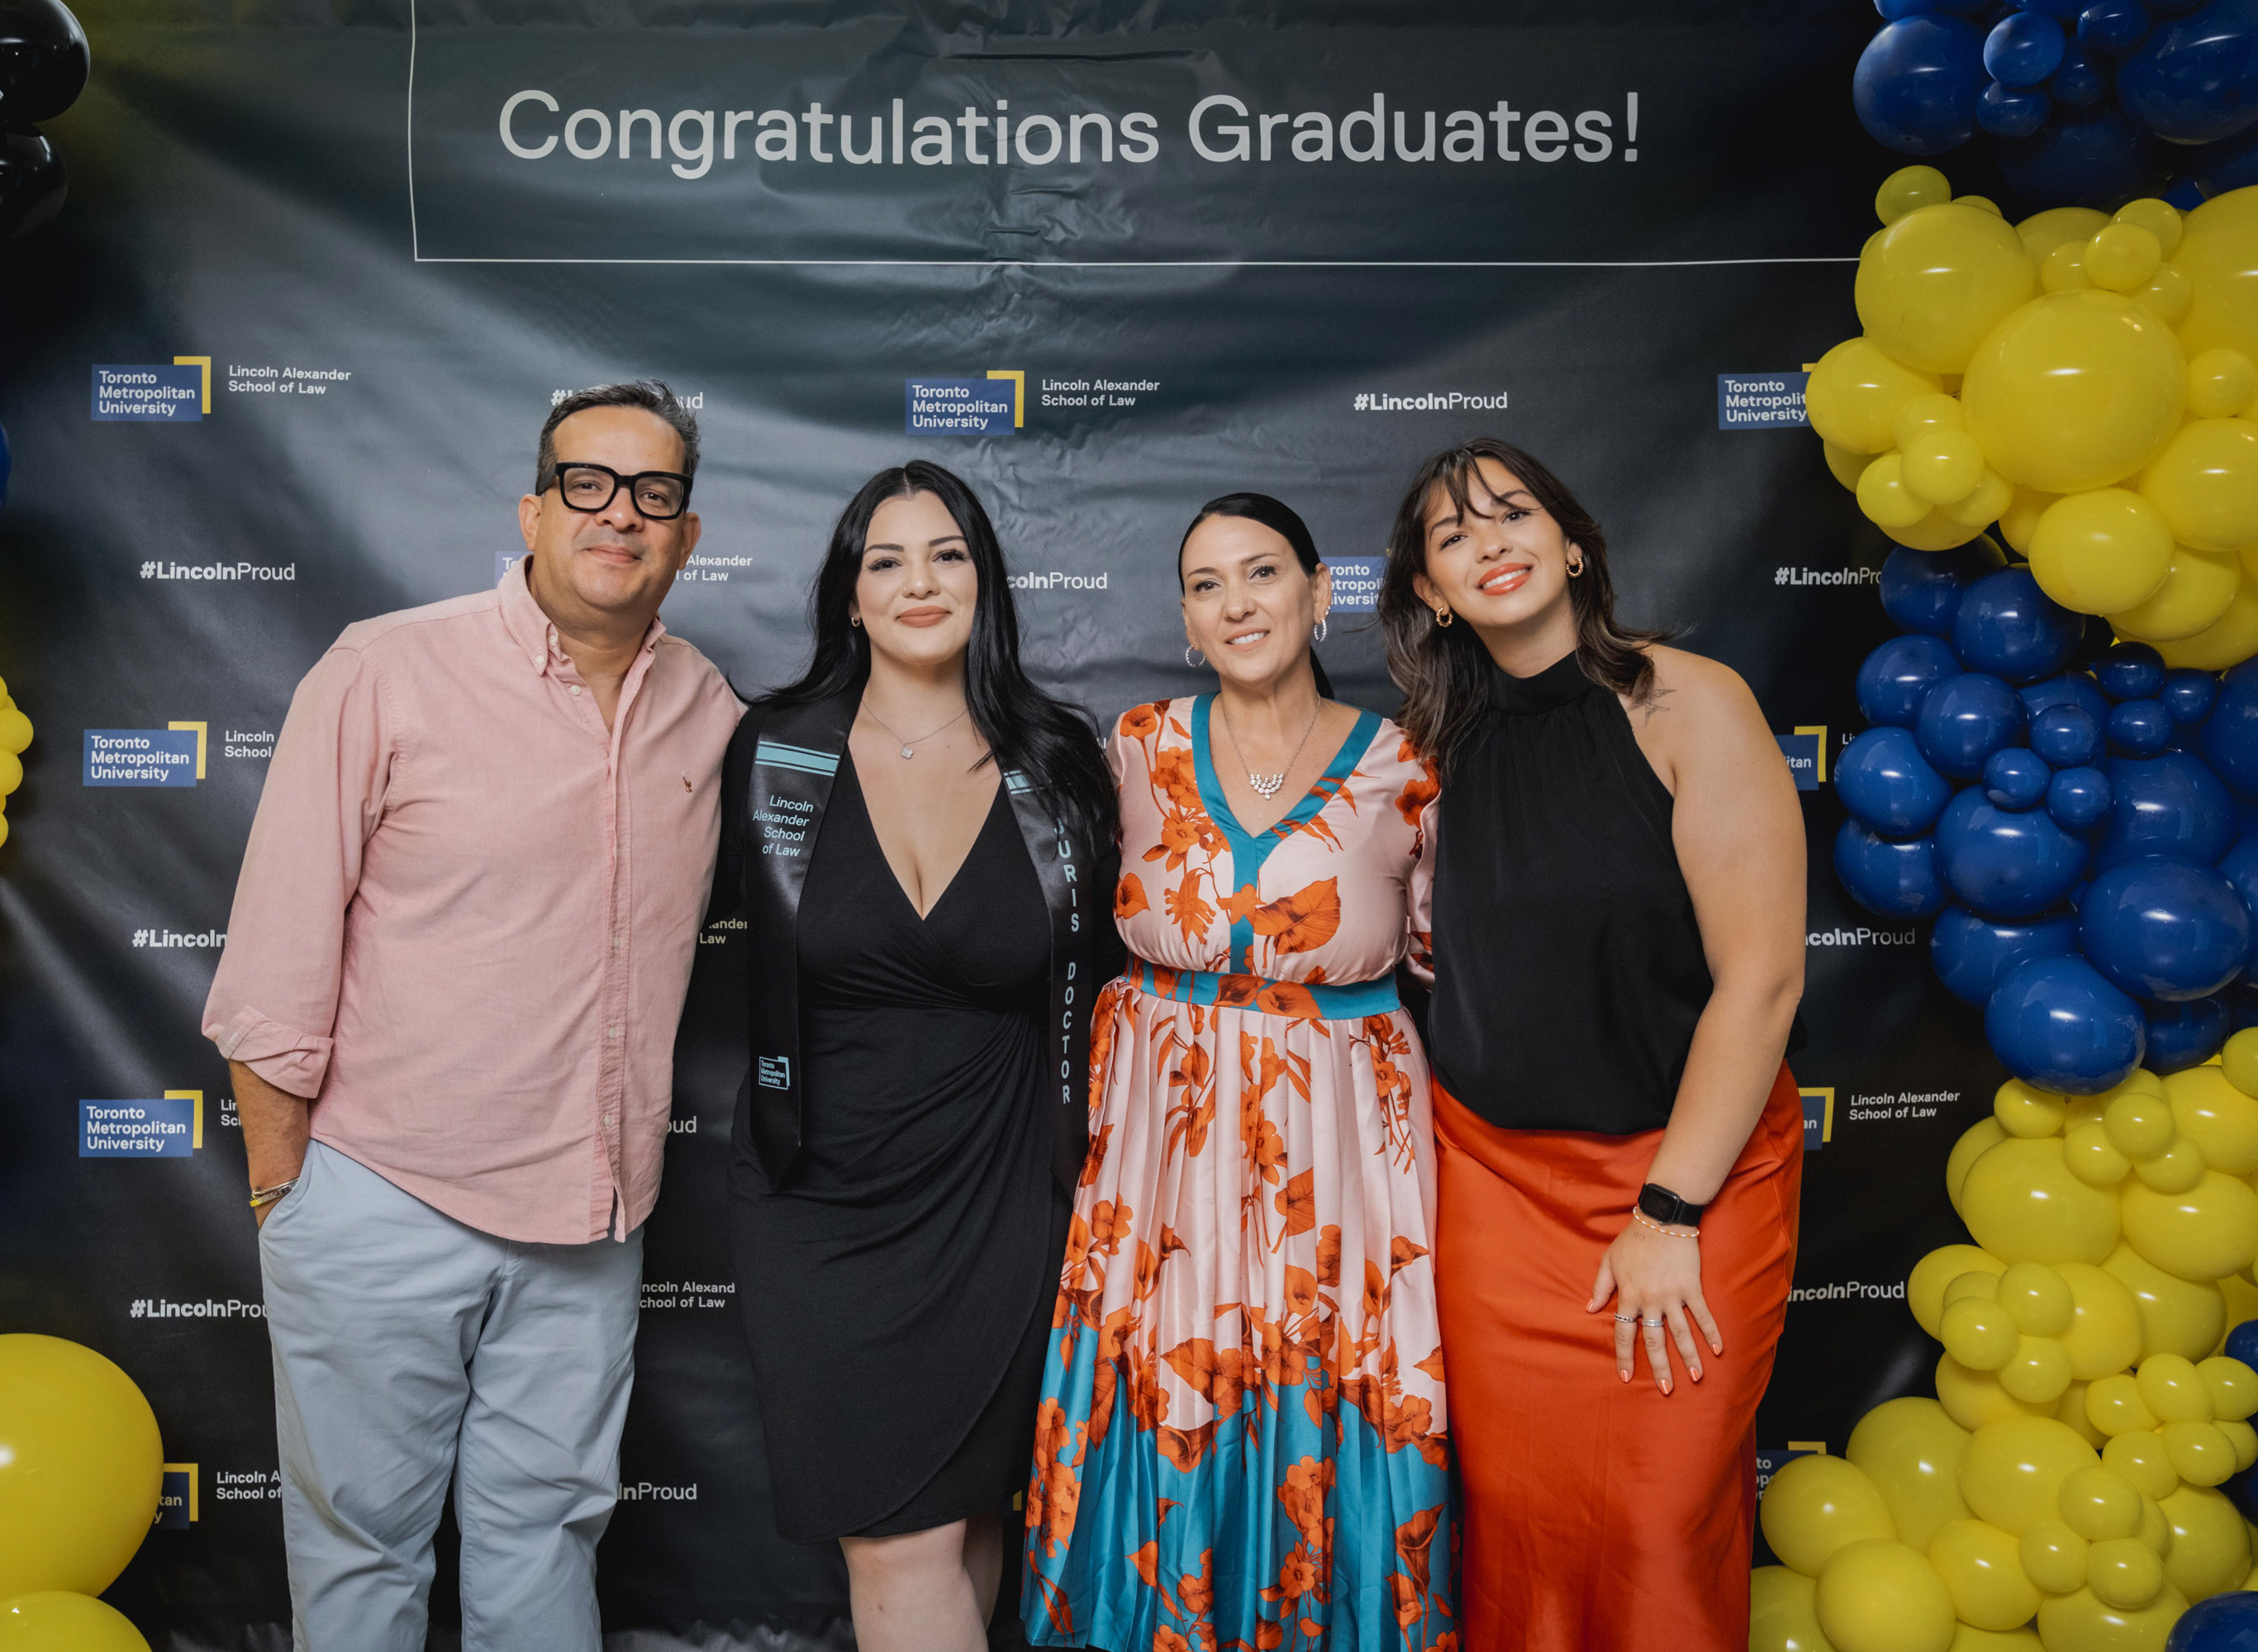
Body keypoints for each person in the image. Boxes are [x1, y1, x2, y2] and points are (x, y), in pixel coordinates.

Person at [202, 382, 741, 1650]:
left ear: (689, 532)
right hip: (385, 1193)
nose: (622, 516)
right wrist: (291, 1189)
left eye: (654, 494)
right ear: (535, 510)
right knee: (363, 1554)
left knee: (548, 1536)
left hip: (591, 1219)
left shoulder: (708, 708)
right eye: (588, 486)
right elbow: (277, 947)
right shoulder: (387, 667)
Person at [1380, 437, 1805, 1650]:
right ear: (1429, 589)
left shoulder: (1688, 701)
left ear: (1571, 543)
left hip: (1687, 1181)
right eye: (1454, 536)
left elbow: (1763, 979)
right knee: (1520, 1519)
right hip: (1500, 1193)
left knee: (1659, 1526)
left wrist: (1669, 1213)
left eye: (1512, 515)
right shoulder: (1437, 747)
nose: (1489, 544)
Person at [1024, 493, 1457, 1652]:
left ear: (1322, 594)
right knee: (1163, 1363)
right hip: (1161, 1135)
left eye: (1262, 575)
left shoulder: (1406, 764)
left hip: (1342, 1140)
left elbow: (1435, 955)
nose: (1237, 604)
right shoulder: (1138, 745)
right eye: (1208, 585)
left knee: (1332, 1371)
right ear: (1185, 617)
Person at [719, 460, 1121, 1652]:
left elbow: (1117, 981)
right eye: (884, 560)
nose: (918, 581)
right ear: (849, 595)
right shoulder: (775, 750)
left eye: (946, 553)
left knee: (962, 1521)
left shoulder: (1056, 757)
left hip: (1002, 1190)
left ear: (984, 581)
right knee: (896, 1541)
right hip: (818, 1194)